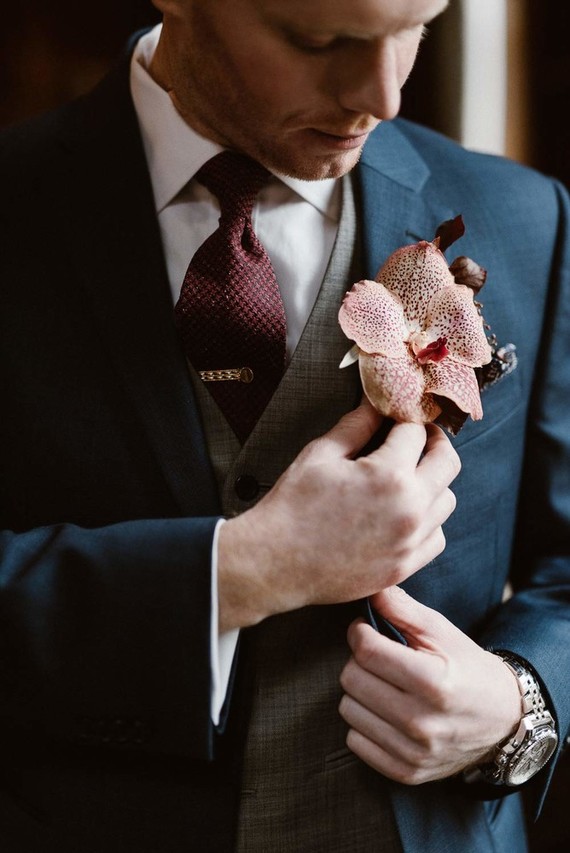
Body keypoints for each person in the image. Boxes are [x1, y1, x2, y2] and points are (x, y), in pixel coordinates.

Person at [0, 0, 568, 851]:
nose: (383, 96)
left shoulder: (527, 217)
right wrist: (244, 571)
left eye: (416, 28)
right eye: (321, 40)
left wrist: (519, 704)